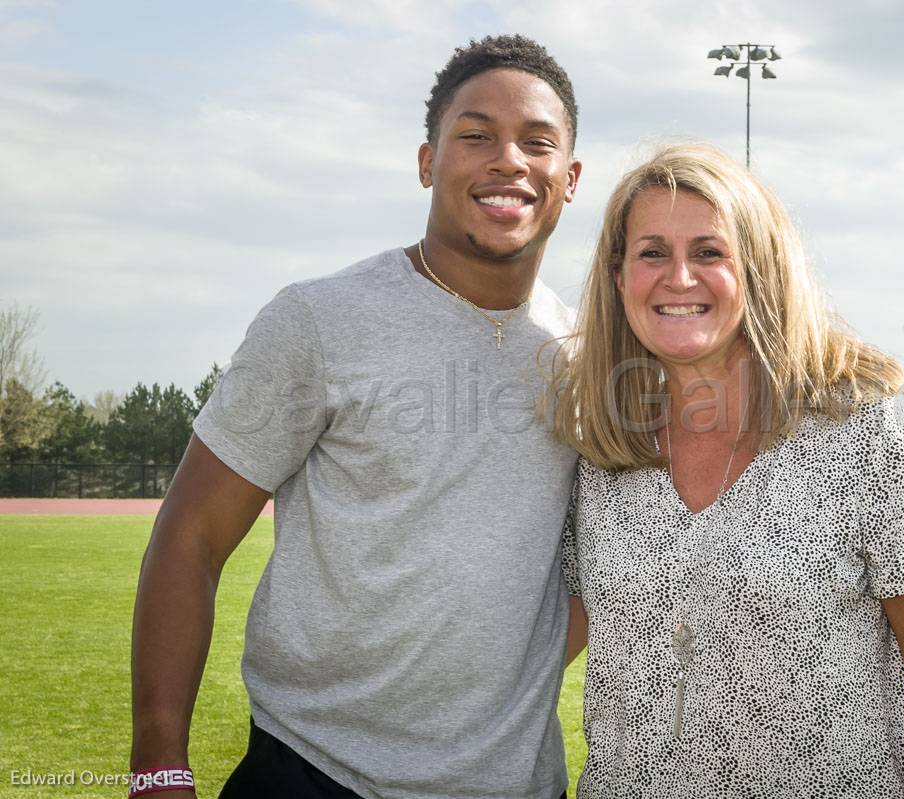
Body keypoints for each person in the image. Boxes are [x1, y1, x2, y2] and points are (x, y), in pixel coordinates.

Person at [130, 35, 582, 799]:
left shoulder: (584, 359)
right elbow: (191, 536)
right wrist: (157, 762)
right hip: (311, 771)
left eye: (536, 142)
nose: (508, 160)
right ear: (426, 162)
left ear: (568, 180)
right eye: (475, 136)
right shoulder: (319, 318)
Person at [549, 143, 904, 798]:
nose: (678, 277)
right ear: (618, 278)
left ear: (759, 268)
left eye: (708, 251)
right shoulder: (604, 453)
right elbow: (544, 645)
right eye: (651, 253)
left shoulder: (869, 436)